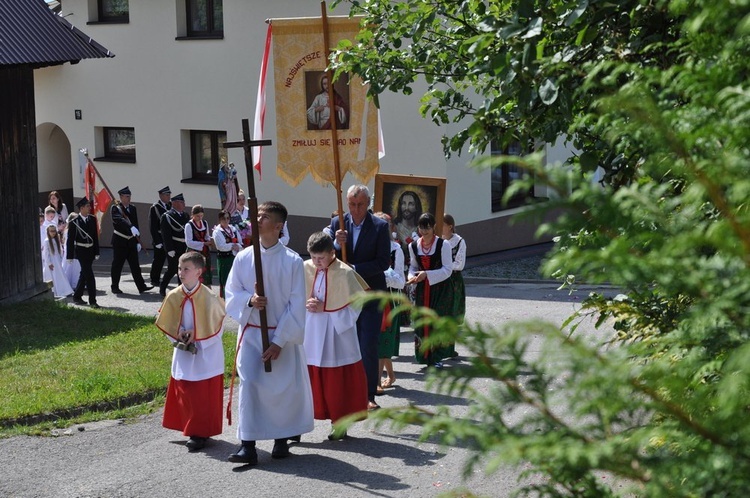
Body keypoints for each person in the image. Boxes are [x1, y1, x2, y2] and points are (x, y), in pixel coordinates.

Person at [225, 201, 313, 465]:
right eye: (257, 214)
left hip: (281, 335)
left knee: (280, 390)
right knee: (250, 384)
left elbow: (296, 304)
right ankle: (248, 445)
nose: (258, 218)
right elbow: (231, 293)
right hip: (252, 333)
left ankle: (281, 439)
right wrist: (250, 301)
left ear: (278, 226)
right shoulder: (244, 257)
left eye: (264, 216)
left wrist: (278, 342)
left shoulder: (293, 261)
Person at [155, 251, 226, 452]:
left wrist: (199, 337)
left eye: (186, 269)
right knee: (184, 387)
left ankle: (200, 432)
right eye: (179, 268)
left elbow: (218, 328)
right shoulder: (174, 295)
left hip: (205, 353)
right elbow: (167, 322)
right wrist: (179, 336)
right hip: (183, 349)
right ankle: (185, 425)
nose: (181, 272)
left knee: (202, 392)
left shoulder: (209, 297)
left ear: (199, 272)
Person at [330, 185, 391, 410]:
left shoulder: (379, 226)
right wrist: (336, 243)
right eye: (352, 205)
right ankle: (347, 391)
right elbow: (326, 256)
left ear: (368, 204)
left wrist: (353, 267)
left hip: (370, 294)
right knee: (346, 343)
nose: (356, 210)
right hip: (345, 295)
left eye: (360, 205)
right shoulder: (338, 224)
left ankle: (368, 394)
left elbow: (383, 262)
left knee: (367, 344)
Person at [303, 232, 369, 439]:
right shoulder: (305, 268)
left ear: (333, 252)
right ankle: (301, 422)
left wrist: (327, 308)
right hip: (312, 331)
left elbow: (357, 305)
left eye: (321, 258)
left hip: (336, 334)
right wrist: (307, 304)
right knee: (308, 378)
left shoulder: (345, 273)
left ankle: (339, 423)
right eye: (313, 257)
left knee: (337, 382)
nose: (316, 262)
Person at [407, 213, 453, 367]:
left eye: (427, 227)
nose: (424, 231)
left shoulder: (443, 245)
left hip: (439, 289)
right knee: (421, 320)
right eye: (421, 227)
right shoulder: (413, 246)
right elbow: (413, 266)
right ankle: (423, 355)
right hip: (421, 289)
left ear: (433, 226)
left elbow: (448, 270)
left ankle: (436, 357)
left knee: (436, 321)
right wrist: (411, 276)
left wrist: (427, 275)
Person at [372, 212, 406, 393]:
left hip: (390, 301)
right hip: (372, 298)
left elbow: (401, 281)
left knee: (382, 341)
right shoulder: (370, 247)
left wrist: (384, 276)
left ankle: (376, 381)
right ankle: (391, 375)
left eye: (385, 225)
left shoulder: (396, 250)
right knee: (375, 340)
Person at [110, 186, 152, 295]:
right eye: (127, 196)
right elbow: (118, 220)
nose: (129, 198)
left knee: (135, 265)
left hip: (131, 241)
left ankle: (141, 286)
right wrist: (130, 227)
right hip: (120, 241)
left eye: (130, 196)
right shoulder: (116, 208)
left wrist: (138, 240)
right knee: (117, 265)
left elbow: (136, 224)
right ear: (121, 197)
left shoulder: (132, 208)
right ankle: (115, 286)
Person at [66, 197, 101, 308]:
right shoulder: (74, 222)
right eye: (87, 206)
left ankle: (77, 296)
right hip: (81, 251)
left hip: (90, 250)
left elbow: (95, 236)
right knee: (89, 276)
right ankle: (93, 301)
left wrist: (96, 251)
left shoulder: (92, 219)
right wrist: (70, 256)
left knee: (84, 275)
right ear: (81, 208)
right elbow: (70, 240)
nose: (89, 208)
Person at [442, 213, 467, 340]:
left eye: (443, 224)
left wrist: (444, 267)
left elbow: (460, 264)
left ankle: (450, 340)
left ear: (450, 226)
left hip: (453, 279)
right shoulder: (438, 240)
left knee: (453, 309)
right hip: (440, 279)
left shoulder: (459, 242)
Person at [159, 193, 190, 297]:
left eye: (183, 202)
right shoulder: (167, 216)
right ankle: (162, 287)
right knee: (172, 269)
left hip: (183, 246)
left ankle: (181, 290)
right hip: (173, 246)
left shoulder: (185, 215)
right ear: (175, 203)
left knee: (183, 269)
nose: (184, 204)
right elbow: (165, 234)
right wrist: (169, 249)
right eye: (181, 202)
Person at [212, 209, 242, 299]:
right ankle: (225, 302)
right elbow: (220, 246)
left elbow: (240, 243)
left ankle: (234, 300)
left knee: (235, 281)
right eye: (223, 218)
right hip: (224, 260)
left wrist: (237, 246)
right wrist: (233, 245)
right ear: (219, 219)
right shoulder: (217, 231)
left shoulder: (233, 229)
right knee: (225, 280)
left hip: (235, 258)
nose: (226, 220)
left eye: (228, 218)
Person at [41, 224, 74, 299]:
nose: (53, 233)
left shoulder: (56, 239)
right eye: (51, 231)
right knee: (53, 276)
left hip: (57, 261)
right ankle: (55, 291)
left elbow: (60, 251)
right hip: (51, 262)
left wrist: (60, 258)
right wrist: (49, 263)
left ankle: (65, 290)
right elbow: (46, 254)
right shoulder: (46, 241)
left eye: (54, 231)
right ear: (48, 232)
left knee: (61, 275)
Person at [185, 204, 213, 287]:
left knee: (205, 272)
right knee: (195, 273)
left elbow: (206, 236)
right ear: (193, 215)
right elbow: (189, 242)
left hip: (204, 252)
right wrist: (203, 243)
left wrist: (210, 240)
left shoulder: (204, 223)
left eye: (201, 216)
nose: (200, 218)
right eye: (198, 216)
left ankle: (206, 290)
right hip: (194, 253)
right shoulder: (189, 225)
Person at [148, 186, 172, 287]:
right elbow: (152, 226)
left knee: (171, 260)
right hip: (160, 237)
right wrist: (157, 241)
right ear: (161, 195)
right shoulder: (155, 207)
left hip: (169, 237)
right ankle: (154, 278)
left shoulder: (170, 206)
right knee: (159, 259)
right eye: (167, 195)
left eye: (169, 195)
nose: (169, 197)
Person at [61, 213, 81, 289]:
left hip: (75, 250)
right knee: (69, 267)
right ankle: (71, 283)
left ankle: (76, 282)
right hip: (70, 250)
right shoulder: (68, 230)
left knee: (76, 267)